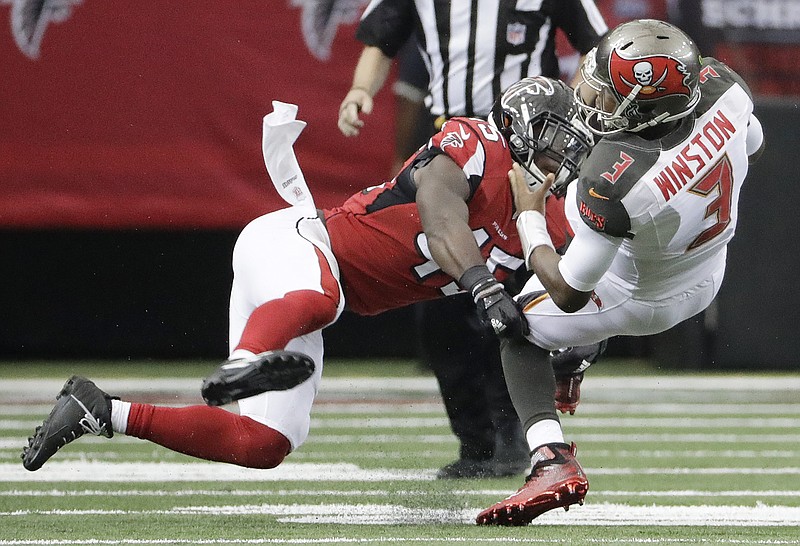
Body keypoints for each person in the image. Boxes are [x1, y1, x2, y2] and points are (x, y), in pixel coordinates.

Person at [21, 77, 594, 477]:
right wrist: (482, 285)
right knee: (324, 294)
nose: (564, 157)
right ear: (521, 130)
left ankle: (101, 410)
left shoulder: (536, 222)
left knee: (264, 444)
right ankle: (244, 366)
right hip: (297, 243)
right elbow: (443, 222)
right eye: (556, 139)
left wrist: (574, 349)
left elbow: (565, 292)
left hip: (309, 294)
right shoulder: (472, 144)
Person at [475, 19, 766, 526]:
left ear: (647, 107)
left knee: (519, 324)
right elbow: (753, 142)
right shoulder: (723, 86)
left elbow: (568, 292)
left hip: (640, 296)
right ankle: (575, 356)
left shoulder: (611, 179)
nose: (592, 98)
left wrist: (527, 213)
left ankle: (550, 459)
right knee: (587, 247)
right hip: (708, 268)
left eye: (608, 95)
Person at [338, 0, 608, 479]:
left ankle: (516, 434)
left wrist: (573, 118)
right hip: (453, 145)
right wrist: (360, 89)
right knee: (442, 308)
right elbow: (382, 35)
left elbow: (602, 53)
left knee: (519, 301)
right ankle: (476, 442)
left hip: (531, 152)